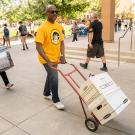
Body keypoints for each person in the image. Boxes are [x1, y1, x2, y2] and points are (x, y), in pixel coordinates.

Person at [35, 5, 66, 110]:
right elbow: (38, 47)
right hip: (45, 58)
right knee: (54, 76)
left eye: (56, 11)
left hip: (55, 57)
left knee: (51, 75)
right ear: (47, 13)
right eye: (52, 12)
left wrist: (62, 56)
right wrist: (48, 61)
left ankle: (46, 92)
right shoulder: (42, 28)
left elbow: (61, 42)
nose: (55, 13)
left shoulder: (59, 26)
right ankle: (56, 100)